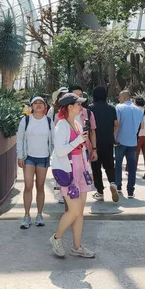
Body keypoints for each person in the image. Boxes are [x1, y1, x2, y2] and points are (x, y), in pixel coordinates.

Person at [49, 92, 96, 258]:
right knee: (74, 210)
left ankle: (77, 247)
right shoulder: (61, 125)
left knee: (80, 211)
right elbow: (60, 151)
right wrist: (77, 141)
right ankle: (56, 238)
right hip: (68, 171)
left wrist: (87, 168)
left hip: (80, 169)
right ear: (70, 107)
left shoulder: (76, 123)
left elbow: (81, 149)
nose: (81, 107)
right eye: (78, 104)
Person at [16, 96, 54, 229]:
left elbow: (53, 140)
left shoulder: (49, 121)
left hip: (43, 157)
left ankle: (39, 214)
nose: (38, 105)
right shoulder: (25, 120)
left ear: (45, 107)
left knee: (40, 186)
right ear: (31, 106)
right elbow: (20, 139)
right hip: (29, 157)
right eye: (35, 103)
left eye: (41, 103)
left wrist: (52, 155)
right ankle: (26, 215)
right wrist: (20, 155)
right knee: (28, 186)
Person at [88, 86, 119, 202]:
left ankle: (100, 191)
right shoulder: (111, 108)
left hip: (94, 142)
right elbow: (116, 123)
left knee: (96, 168)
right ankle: (112, 183)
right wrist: (113, 135)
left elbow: (90, 127)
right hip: (108, 141)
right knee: (109, 165)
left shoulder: (90, 109)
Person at [114, 90, 144, 199]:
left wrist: (114, 137)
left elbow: (116, 124)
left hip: (120, 141)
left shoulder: (119, 108)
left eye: (120, 97)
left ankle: (118, 186)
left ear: (124, 97)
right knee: (132, 167)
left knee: (118, 165)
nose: (118, 99)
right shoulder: (139, 110)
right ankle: (130, 190)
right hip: (133, 142)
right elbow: (142, 125)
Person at [48, 87, 68, 204]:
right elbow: (49, 125)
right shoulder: (53, 110)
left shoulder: (71, 108)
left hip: (69, 143)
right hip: (57, 143)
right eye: (62, 95)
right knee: (58, 167)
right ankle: (59, 193)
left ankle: (67, 192)